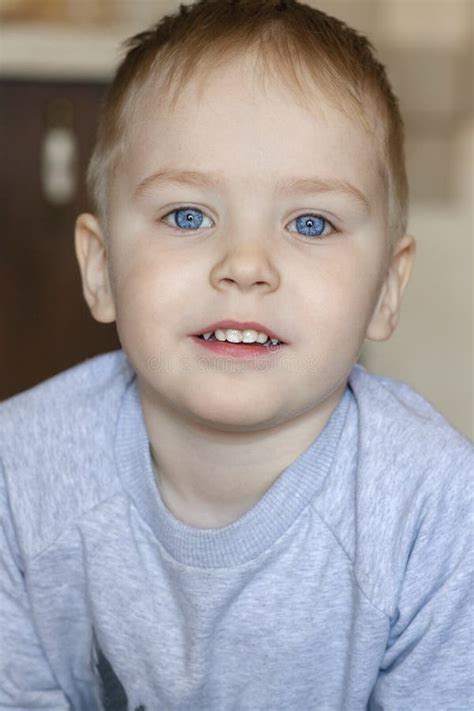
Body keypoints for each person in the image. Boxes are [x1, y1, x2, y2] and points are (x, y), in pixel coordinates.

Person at [1, 1, 472, 709]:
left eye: (311, 222)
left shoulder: (433, 508)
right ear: (99, 268)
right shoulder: (21, 471)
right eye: (187, 214)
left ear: (384, 289)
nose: (246, 264)